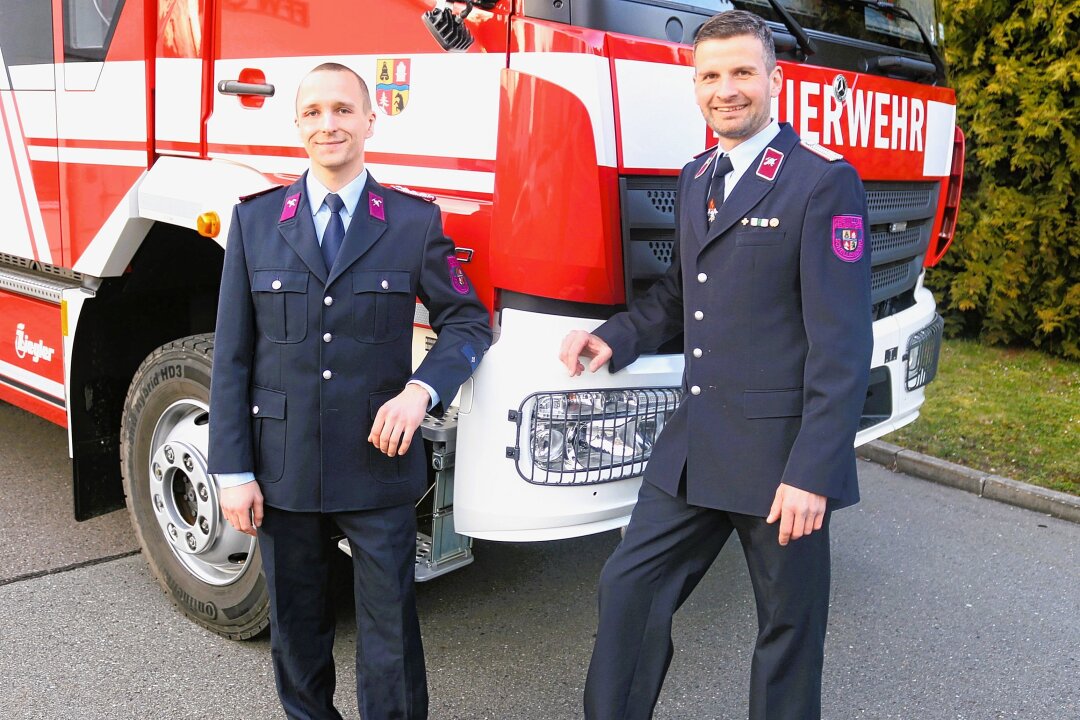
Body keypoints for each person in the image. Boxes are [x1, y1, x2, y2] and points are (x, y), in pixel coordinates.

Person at [559, 11, 873, 720]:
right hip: (696, 448)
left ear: (774, 79)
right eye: (709, 75)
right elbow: (682, 293)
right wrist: (618, 335)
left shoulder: (821, 183)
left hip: (779, 462)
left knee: (788, 634)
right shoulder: (699, 173)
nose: (724, 89)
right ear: (694, 85)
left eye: (740, 72)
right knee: (628, 590)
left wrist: (812, 473)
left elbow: (842, 342)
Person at [207, 62, 491, 720]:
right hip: (284, 470)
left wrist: (422, 389)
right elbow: (232, 356)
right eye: (313, 112)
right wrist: (233, 470)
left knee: (391, 637)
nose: (328, 124)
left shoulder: (413, 222)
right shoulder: (253, 224)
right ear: (297, 124)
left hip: (377, 468)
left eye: (342, 110)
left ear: (371, 119)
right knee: (298, 635)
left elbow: (468, 321)